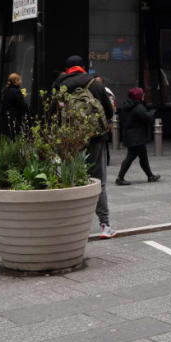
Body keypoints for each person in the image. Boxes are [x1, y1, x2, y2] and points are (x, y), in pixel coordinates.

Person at [52, 55, 116, 238]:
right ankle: (105, 225)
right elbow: (108, 109)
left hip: (70, 140)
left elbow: (52, 112)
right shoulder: (94, 83)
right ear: (82, 67)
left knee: (69, 180)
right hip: (95, 138)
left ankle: (70, 228)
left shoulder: (59, 85)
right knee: (99, 181)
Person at [114, 87, 160, 185]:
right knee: (130, 157)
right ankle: (120, 178)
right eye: (142, 94)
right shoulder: (138, 107)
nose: (144, 95)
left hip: (131, 135)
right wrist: (153, 112)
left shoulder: (127, 105)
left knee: (143, 157)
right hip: (136, 137)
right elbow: (147, 117)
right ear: (138, 96)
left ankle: (150, 176)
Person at [0, 73, 29, 137]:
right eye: (20, 79)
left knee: (7, 134)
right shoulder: (16, 91)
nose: (21, 81)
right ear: (16, 81)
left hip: (5, 116)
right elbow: (22, 104)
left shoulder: (5, 90)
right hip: (15, 116)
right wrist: (28, 111)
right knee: (15, 134)